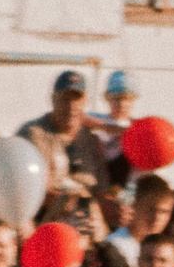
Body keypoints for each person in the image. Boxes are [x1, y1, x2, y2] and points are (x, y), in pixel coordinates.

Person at [16, 70, 110, 216]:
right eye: (65, 99)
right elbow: (37, 193)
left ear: (85, 102)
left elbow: (101, 191)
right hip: (48, 218)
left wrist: (112, 207)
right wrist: (83, 202)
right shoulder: (34, 135)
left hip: (90, 217)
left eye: (77, 99)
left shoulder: (91, 140)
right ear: (53, 99)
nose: (71, 106)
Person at [104, 176, 174, 267]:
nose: (157, 218)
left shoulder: (168, 251)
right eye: (151, 209)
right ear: (135, 206)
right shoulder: (115, 246)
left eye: (164, 212)